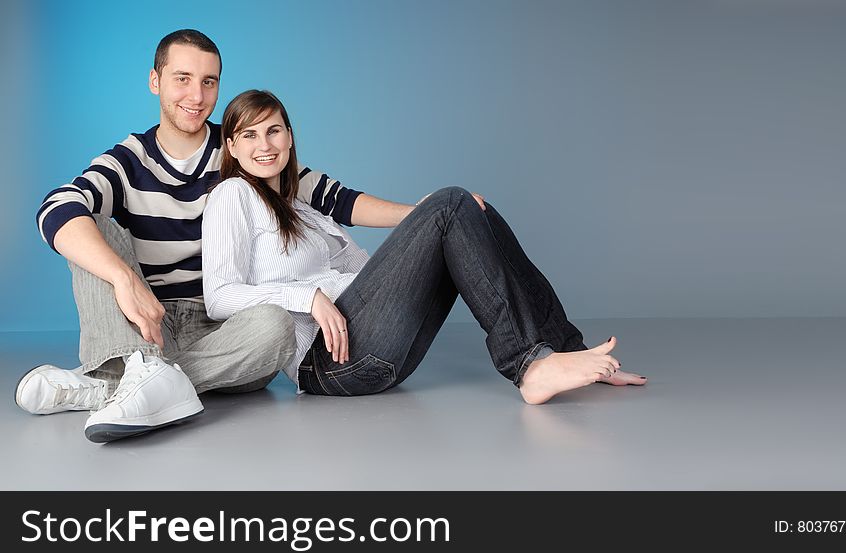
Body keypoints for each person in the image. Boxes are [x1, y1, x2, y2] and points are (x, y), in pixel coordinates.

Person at [16, 30, 413, 443]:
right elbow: (57, 208)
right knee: (92, 227)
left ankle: (115, 384)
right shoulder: (129, 161)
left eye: (209, 82)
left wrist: (420, 213)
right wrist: (124, 278)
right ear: (155, 81)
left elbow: (336, 199)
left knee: (276, 323)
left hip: (231, 332)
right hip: (148, 321)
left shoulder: (240, 146)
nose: (197, 95)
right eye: (182, 78)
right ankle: (139, 370)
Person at [203, 90, 648, 405]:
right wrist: (306, 296)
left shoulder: (302, 204)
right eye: (249, 135)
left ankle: (562, 349)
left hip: (379, 347)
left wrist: (432, 229)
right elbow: (219, 296)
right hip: (329, 362)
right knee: (452, 202)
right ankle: (528, 365)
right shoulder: (231, 195)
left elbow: (371, 268)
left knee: (477, 211)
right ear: (231, 146)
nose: (265, 145)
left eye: (274, 131)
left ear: (290, 136)